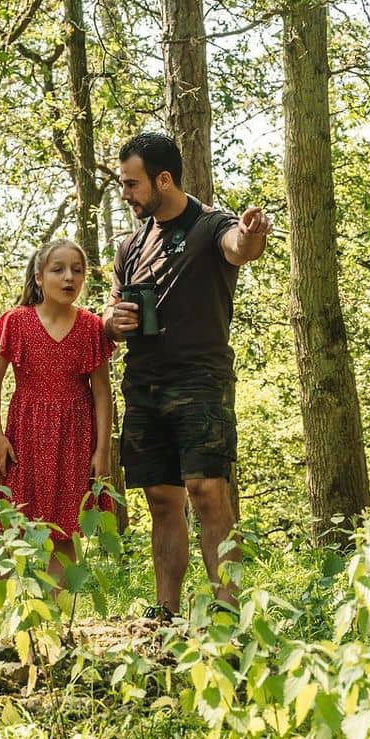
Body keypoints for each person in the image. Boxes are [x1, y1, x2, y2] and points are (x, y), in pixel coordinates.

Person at [103, 132, 272, 620]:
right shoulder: (131, 247)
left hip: (201, 380)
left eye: (132, 184)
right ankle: (166, 612)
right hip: (143, 384)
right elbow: (112, 313)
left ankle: (226, 612)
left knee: (207, 489)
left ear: (164, 179)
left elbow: (239, 247)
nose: (126, 194)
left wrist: (252, 232)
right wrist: (114, 321)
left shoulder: (210, 224)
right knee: (161, 497)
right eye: (122, 184)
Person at [0, 239, 115, 619]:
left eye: (77, 270)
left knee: (66, 531)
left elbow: (102, 393)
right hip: (25, 435)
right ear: (39, 277)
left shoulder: (90, 328)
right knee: (10, 525)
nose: (68, 277)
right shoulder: (15, 322)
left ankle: (54, 621)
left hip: (74, 438)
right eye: (58, 269)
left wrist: (102, 451)